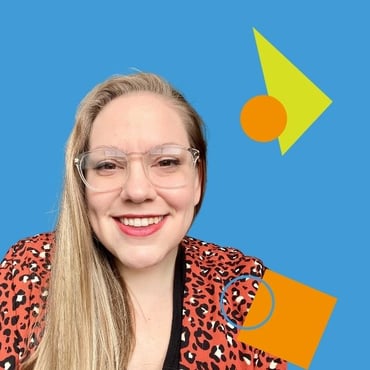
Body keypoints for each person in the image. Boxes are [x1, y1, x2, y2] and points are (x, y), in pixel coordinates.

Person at [0, 72, 286, 370]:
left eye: (166, 162)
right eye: (108, 165)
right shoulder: (21, 267)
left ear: (198, 179)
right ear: (82, 185)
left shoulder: (258, 281)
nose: (137, 191)